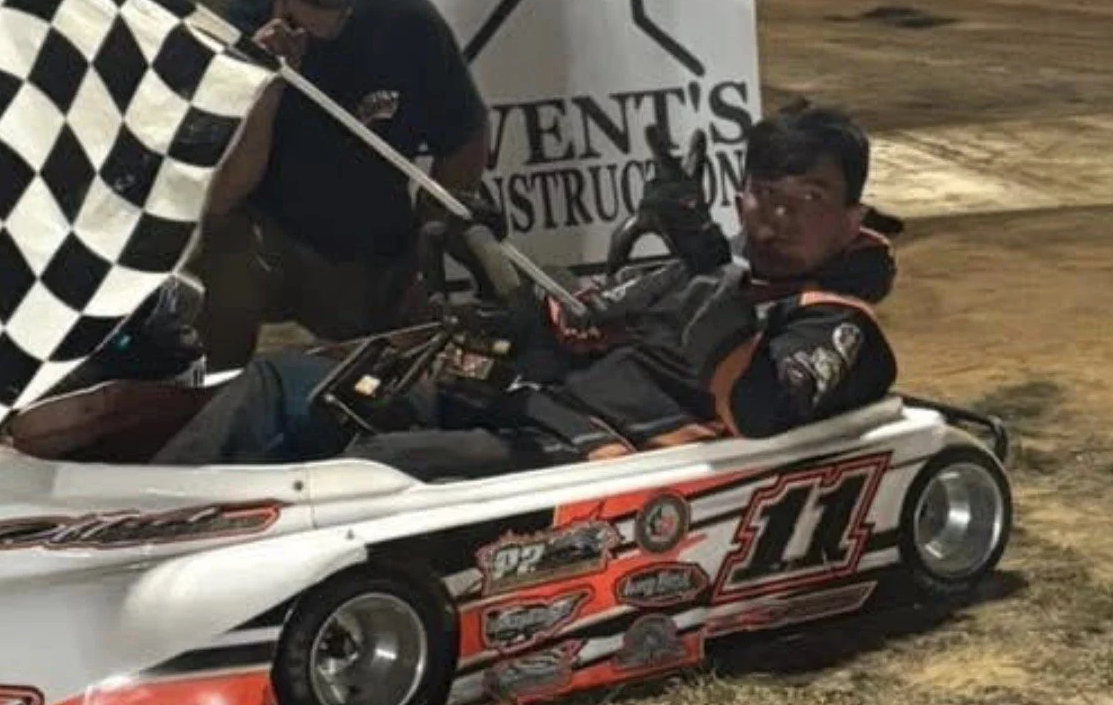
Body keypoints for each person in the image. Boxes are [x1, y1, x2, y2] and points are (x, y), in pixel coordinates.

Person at [156, 103, 900, 474]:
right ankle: (137, 501)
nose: (777, 218)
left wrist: (710, 271)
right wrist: (489, 253)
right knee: (289, 386)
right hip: (525, 404)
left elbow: (765, 413)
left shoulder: (837, 324)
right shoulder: (689, 271)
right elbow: (568, 324)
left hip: (575, 460)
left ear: (851, 218)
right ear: (738, 196)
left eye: (808, 199)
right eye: (764, 192)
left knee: (366, 467)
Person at [194, 0, 489, 368]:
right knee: (220, 244)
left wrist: (428, 246)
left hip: (375, 252)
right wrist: (265, 86)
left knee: (435, 369)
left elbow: (465, 136)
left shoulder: (405, 20)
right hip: (272, 253)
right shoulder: (233, 34)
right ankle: (218, 390)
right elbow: (219, 195)